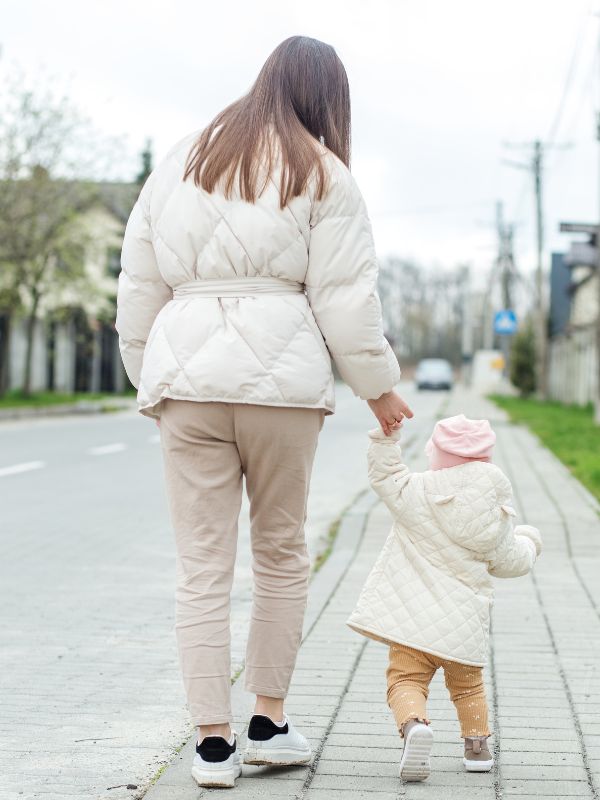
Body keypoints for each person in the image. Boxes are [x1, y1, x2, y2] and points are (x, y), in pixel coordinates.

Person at [116, 35, 413, 789]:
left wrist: (151, 378)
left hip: (186, 386)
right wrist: (378, 388)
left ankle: (211, 745)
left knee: (201, 565)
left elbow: (139, 283)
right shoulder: (326, 173)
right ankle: (268, 723)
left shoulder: (180, 161)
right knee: (280, 552)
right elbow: (345, 299)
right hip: (282, 389)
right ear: (328, 100)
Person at [347, 414, 542, 782]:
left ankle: (414, 727)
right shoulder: (495, 513)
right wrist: (530, 542)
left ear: (436, 453)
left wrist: (385, 439)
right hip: (463, 626)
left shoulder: (416, 490)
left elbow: (385, 476)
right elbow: (510, 561)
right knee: (468, 687)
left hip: (411, 622)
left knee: (405, 680)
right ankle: (477, 748)